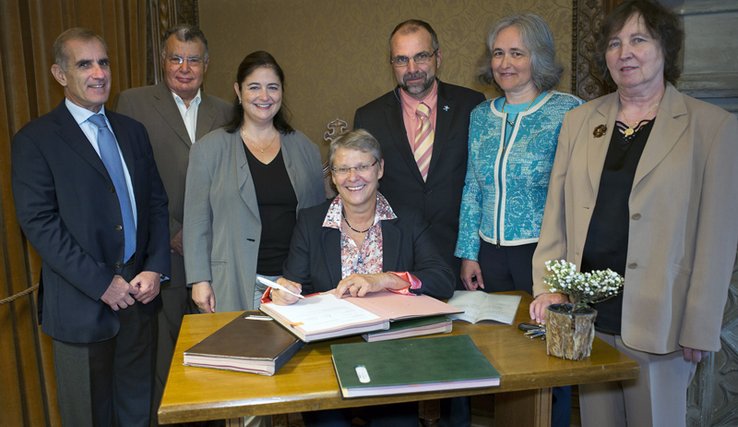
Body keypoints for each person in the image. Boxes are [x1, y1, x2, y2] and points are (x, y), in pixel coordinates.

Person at [529, 1, 738, 426]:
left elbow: (718, 240)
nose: (625, 52)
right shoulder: (579, 121)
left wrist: (699, 324)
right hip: (587, 316)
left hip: (662, 320)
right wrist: (548, 287)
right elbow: (557, 216)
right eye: (614, 43)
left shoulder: (712, 127)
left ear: (665, 49)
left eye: (639, 40)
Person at [11, 28, 169, 426]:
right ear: (60, 74)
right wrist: (101, 283)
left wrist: (155, 266)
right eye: (85, 64)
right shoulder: (36, 139)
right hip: (82, 307)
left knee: (139, 413)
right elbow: (39, 223)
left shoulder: (132, 132)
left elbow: (156, 204)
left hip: (140, 299)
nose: (99, 72)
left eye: (104, 62)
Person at [270, 129, 455, 427]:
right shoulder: (309, 221)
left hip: (393, 357)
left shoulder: (407, 219)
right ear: (332, 176)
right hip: (326, 358)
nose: (352, 176)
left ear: (380, 168)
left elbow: (443, 279)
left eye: (362, 166)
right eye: (343, 168)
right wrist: (284, 292)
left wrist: (385, 280)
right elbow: (294, 284)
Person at [452, 14, 581, 427]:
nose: (505, 63)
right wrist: (468, 254)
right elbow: (472, 186)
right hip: (490, 255)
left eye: (517, 53)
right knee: (493, 355)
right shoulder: (481, 115)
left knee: (548, 363)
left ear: (538, 57)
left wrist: (564, 275)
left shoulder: (568, 111)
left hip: (543, 257)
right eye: (498, 53)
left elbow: (576, 195)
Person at [114, 24, 232, 417]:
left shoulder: (226, 111)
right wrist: (171, 234)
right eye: (175, 58)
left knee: (218, 355)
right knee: (163, 362)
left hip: (213, 258)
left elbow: (232, 182)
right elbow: (127, 178)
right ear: (162, 61)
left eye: (193, 59)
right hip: (160, 258)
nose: (184, 67)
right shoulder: (133, 102)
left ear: (206, 64)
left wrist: (200, 234)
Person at [183, 50, 325, 314]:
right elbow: (196, 223)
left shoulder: (305, 148)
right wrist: (199, 280)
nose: (264, 96)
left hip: (295, 284)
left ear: (282, 92)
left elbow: (317, 220)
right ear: (238, 91)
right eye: (254, 87)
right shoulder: (208, 150)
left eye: (273, 87)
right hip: (233, 281)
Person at [354, 19, 485, 291]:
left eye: (421, 57)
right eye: (401, 60)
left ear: (438, 57)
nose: (412, 69)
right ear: (391, 63)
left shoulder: (472, 106)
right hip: (396, 257)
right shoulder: (369, 116)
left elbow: (481, 182)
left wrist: (470, 252)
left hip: (458, 253)